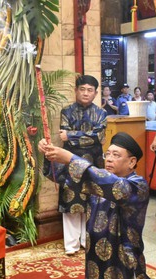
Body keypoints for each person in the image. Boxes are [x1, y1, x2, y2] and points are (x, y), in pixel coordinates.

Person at [39, 132, 156, 279]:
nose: (109, 159)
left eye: (116, 155)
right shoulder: (99, 181)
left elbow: (117, 189)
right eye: (108, 154)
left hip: (122, 259)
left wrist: (71, 158)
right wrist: (50, 156)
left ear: (132, 162)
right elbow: (65, 177)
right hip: (95, 257)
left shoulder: (137, 185)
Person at [57, 75, 107, 255]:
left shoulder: (101, 113)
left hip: (93, 163)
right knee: (72, 200)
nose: (86, 93)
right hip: (70, 162)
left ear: (95, 93)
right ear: (76, 90)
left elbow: (99, 137)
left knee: (91, 200)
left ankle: (87, 241)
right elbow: (64, 137)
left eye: (90, 90)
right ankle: (71, 245)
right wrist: (86, 136)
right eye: (83, 89)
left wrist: (71, 135)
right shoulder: (67, 111)